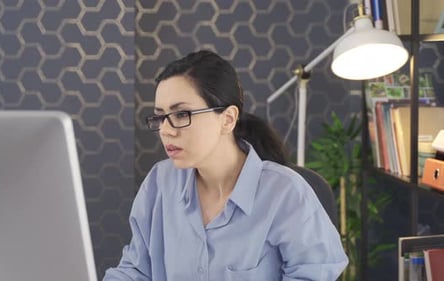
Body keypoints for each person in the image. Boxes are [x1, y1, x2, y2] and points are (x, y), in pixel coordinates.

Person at [103, 50, 348, 280]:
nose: (166, 131)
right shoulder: (159, 183)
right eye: (160, 116)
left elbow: (315, 274)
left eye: (181, 114)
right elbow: (134, 270)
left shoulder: (286, 193)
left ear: (228, 119)